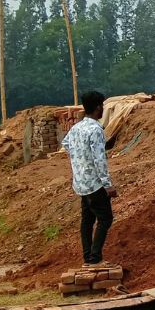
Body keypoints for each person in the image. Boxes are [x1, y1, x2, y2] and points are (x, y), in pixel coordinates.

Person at [62, 90, 116, 267]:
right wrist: (108, 185)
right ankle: (95, 258)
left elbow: (66, 144)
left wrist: (79, 160)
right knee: (105, 218)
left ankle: (87, 258)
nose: (103, 110)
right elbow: (100, 159)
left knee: (87, 221)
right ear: (98, 107)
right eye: (102, 106)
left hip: (80, 184)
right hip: (95, 184)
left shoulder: (76, 128)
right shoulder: (95, 130)